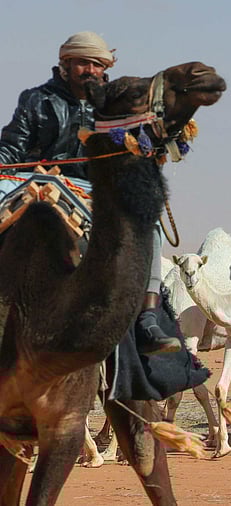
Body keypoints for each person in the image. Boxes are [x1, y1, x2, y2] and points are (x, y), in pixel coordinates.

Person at [0, 31, 181, 356]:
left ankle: (148, 318)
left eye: (97, 64)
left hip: (94, 191)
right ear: (66, 64)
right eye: (83, 62)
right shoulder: (36, 100)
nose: (90, 70)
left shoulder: (117, 107)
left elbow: (132, 150)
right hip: (34, 182)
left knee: (148, 224)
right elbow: (13, 146)